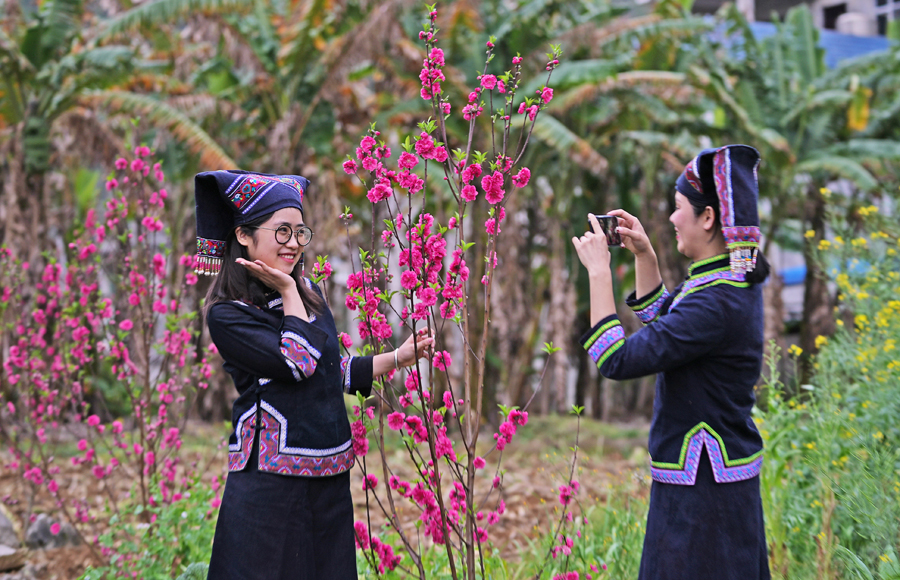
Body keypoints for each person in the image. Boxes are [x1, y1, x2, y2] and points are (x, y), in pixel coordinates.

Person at [193, 170, 434, 580]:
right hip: (270, 483)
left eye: (299, 233)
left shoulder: (310, 295)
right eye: (281, 232)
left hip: (329, 473)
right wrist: (289, 292)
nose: (293, 243)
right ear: (245, 236)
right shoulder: (228, 314)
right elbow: (296, 362)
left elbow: (330, 370)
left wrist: (398, 356)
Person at [572, 145, 771, 580]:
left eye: (678, 208)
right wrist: (645, 255)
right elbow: (668, 326)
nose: (671, 218)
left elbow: (616, 359)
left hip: (705, 497)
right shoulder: (722, 282)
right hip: (710, 485)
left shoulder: (716, 300)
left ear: (708, 218)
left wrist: (599, 272)